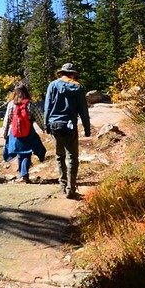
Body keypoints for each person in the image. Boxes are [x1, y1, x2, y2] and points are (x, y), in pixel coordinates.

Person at [44, 63, 91, 199]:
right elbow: (83, 110)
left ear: (62, 73)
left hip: (55, 125)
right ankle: (71, 188)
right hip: (70, 126)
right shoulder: (78, 87)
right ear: (73, 74)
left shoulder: (52, 85)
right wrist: (87, 129)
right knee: (72, 157)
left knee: (60, 156)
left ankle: (63, 184)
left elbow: (47, 106)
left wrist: (46, 125)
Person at [1, 83, 47, 183]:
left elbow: (7, 120)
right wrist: (43, 128)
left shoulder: (11, 104)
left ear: (15, 93)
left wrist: (5, 133)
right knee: (27, 153)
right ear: (26, 92)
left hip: (15, 133)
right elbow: (38, 117)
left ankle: (22, 175)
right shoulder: (30, 104)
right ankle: (24, 175)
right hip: (28, 132)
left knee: (20, 153)